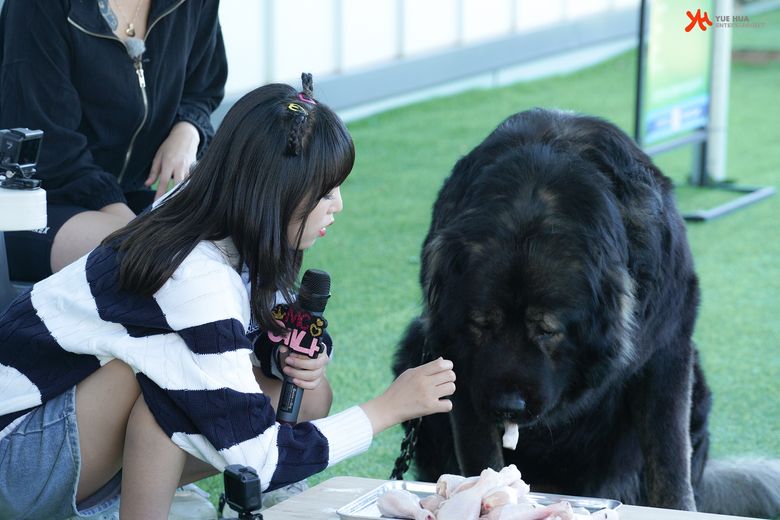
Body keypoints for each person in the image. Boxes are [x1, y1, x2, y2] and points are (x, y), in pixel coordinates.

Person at [0, 74, 456, 520]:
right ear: (275, 194)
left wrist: (285, 355)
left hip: (60, 437)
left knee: (306, 395)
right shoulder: (197, 275)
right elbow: (260, 458)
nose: (338, 205)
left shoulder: (219, 215)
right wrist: (387, 408)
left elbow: (263, 323)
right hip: (16, 460)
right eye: (326, 192)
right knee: (170, 374)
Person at [0, 0, 228, 281]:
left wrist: (189, 128)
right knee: (157, 262)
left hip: (129, 194)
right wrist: (134, 226)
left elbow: (203, 85)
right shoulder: (39, 7)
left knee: (242, 241)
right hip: (35, 201)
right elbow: (51, 147)